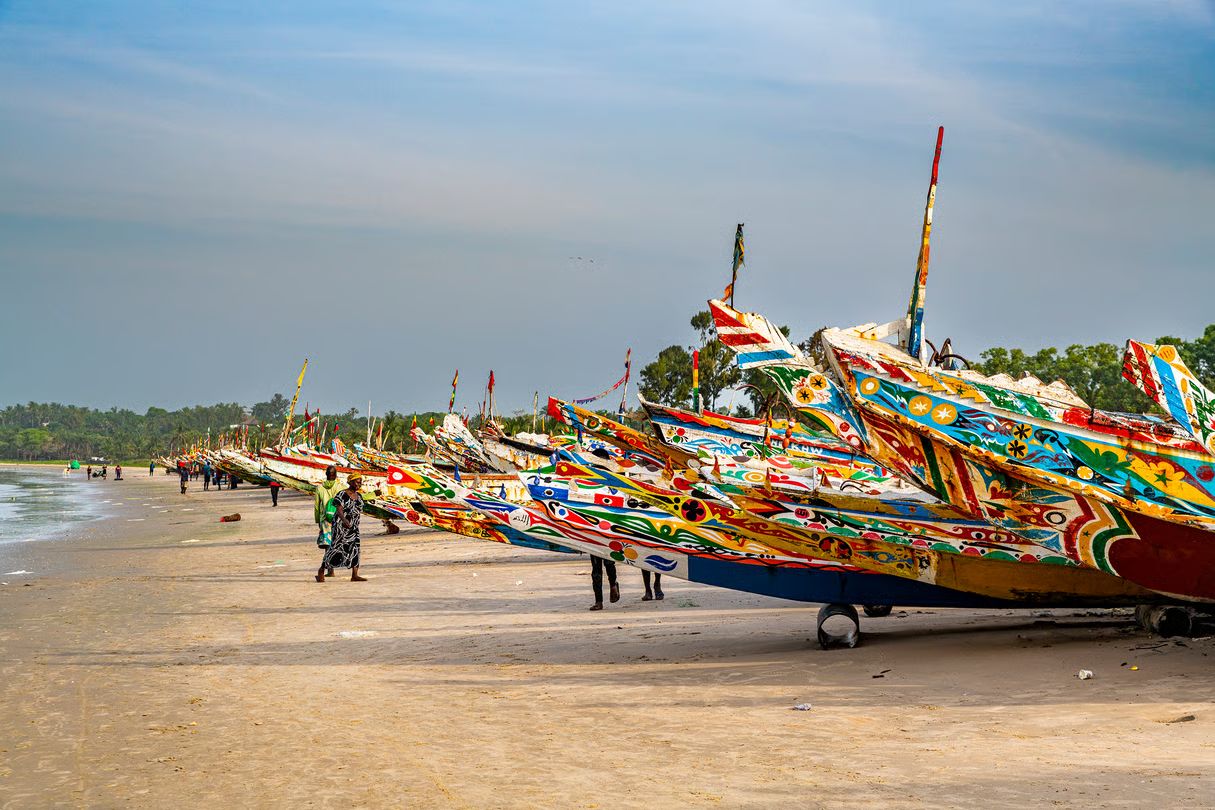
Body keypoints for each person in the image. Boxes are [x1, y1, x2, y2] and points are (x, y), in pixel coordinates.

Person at [317, 473, 366, 582]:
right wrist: (344, 520)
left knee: (355, 549)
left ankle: (354, 575)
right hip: (340, 527)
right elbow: (339, 510)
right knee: (335, 548)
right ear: (350, 482)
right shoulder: (342, 494)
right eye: (357, 482)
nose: (359, 484)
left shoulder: (359, 496)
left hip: (354, 528)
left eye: (360, 482)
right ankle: (321, 570)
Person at [313, 466, 342, 576]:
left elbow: (317, 506)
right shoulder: (340, 487)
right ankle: (331, 568)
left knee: (327, 544)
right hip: (337, 518)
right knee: (335, 543)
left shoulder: (319, 488)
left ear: (326, 474)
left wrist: (317, 520)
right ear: (336, 475)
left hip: (324, 519)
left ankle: (330, 570)